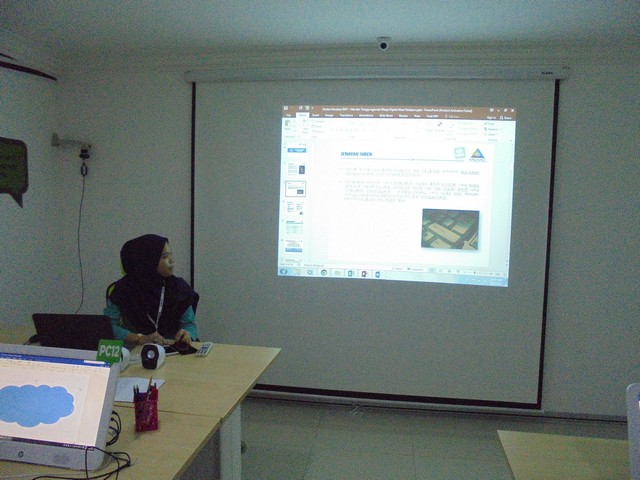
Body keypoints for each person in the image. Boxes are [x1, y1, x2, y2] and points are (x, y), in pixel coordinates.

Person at [104, 234, 199, 348]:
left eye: (171, 254)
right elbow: (108, 326)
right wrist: (138, 338)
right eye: (165, 256)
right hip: (135, 350)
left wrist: (187, 333)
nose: (171, 260)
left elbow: (189, 324)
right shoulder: (123, 289)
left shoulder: (178, 287)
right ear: (148, 260)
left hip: (171, 349)